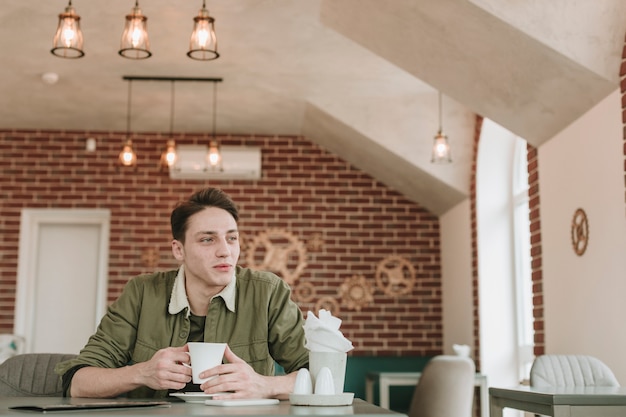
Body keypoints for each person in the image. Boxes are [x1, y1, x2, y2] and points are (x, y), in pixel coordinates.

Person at [55, 187, 309, 399]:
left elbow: (320, 376)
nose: (225, 251)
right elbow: (77, 383)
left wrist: (264, 386)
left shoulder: (268, 292)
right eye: (208, 240)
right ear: (179, 250)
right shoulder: (142, 293)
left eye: (231, 239)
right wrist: (141, 373)